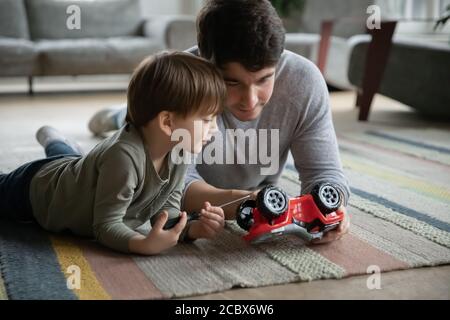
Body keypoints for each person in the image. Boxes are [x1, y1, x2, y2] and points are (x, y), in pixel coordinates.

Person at [88, 0, 351, 244]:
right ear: (204, 60)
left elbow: (324, 173)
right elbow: (172, 188)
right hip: (159, 122)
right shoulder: (179, 85)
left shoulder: (304, 82)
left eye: (263, 80)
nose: (249, 100)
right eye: (232, 82)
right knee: (134, 134)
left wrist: (329, 209)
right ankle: (118, 116)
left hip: (250, 186)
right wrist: (243, 201)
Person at [0, 52, 227, 255]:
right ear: (167, 122)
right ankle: (56, 143)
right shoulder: (123, 158)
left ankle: (56, 141)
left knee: (72, 162)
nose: (215, 128)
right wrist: (143, 244)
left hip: (73, 173)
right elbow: (105, 226)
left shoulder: (180, 151)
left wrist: (192, 228)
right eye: (207, 120)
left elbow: (167, 210)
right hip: (37, 190)